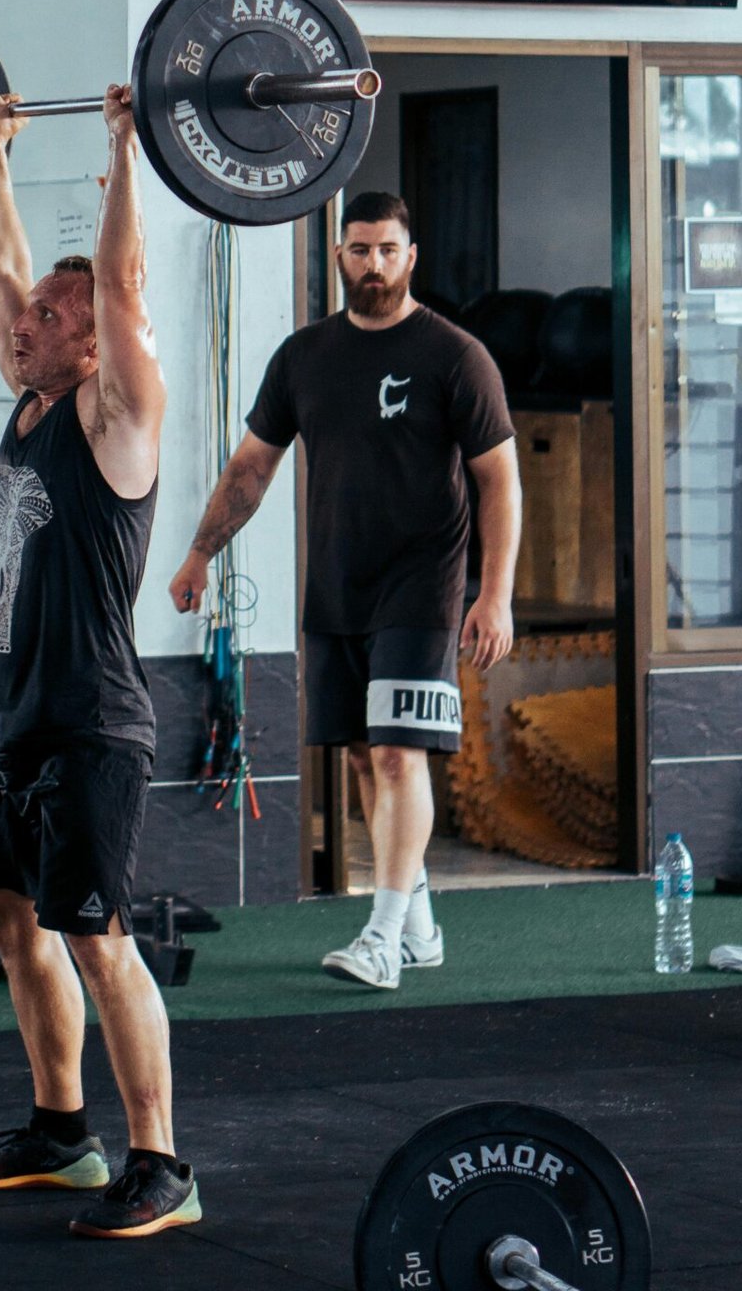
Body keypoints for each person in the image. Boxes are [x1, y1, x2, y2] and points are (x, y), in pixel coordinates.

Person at [0, 84, 201, 1239]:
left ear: (94, 341)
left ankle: (161, 1164)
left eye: (50, 317)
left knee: (100, 941)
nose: (23, 325)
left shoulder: (115, 420)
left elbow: (127, 290)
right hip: (7, 718)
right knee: (13, 923)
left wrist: (121, 148)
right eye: (30, 314)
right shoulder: (29, 402)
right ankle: (62, 1133)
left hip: (91, 723)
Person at [169, 190, 520, 992]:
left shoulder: (455, 355)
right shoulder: (305, 356)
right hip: (335, 584)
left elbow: (499, 478)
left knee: (399, 754)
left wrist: (492, 593)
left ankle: (383, 933)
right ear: (338, 254)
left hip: (423, 586)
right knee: (366, 756)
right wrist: (198, 555)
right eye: (359, 250)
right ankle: (421, 926)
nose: (373, 265)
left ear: (411, 255)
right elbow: (251, 468)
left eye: (388, 250)